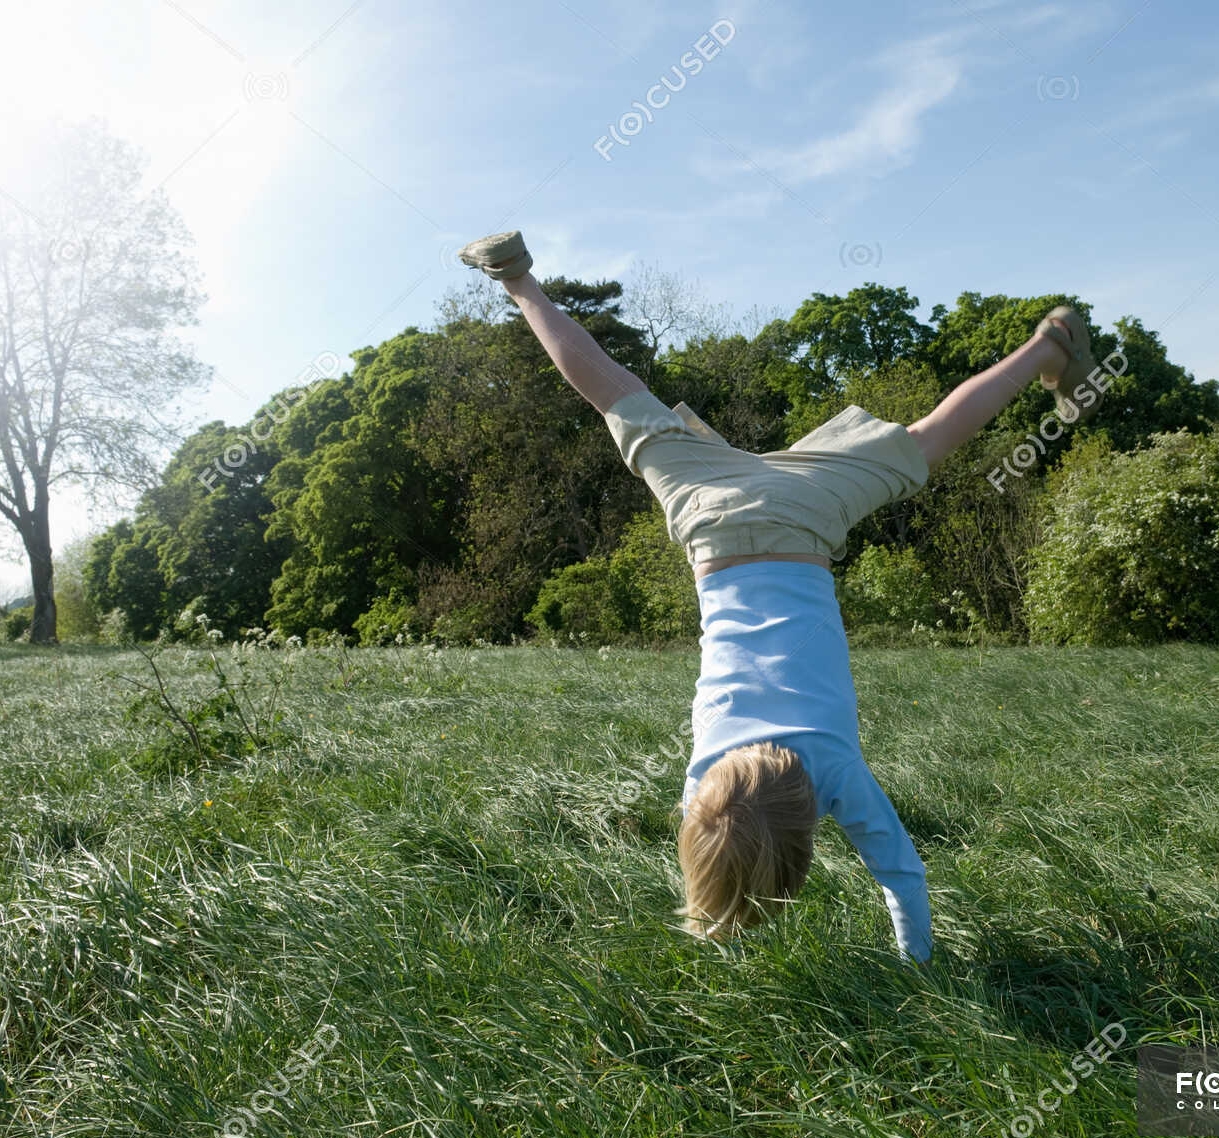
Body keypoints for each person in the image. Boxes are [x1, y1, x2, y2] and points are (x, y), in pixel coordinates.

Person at [460, 231, 1094, 961]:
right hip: (714, 513)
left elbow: (903, 876)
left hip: (803, 513)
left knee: (927, 441)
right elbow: (712, 832)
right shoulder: (702, 780)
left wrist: (920, 970)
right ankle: (517, 281)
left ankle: (1049, 346)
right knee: (615, 394)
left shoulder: (832, 770)